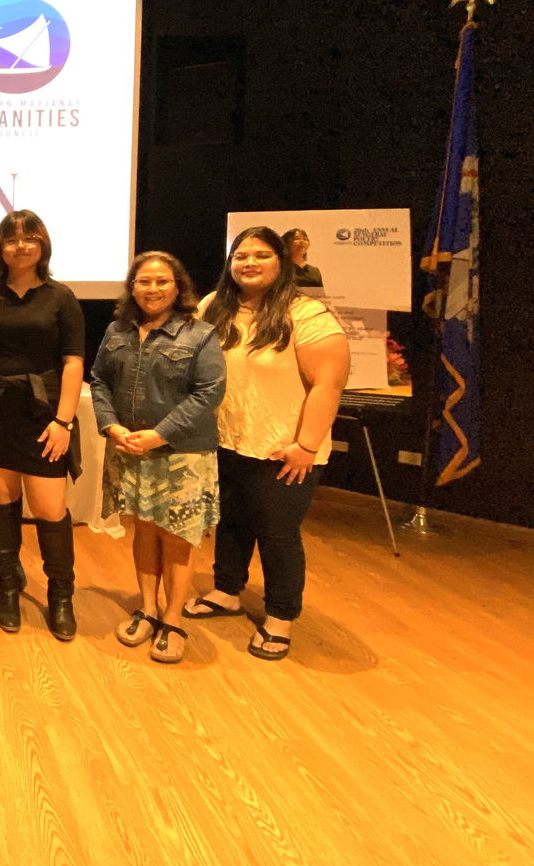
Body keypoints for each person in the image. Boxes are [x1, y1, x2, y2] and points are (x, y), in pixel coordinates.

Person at [186, 225, 349, 662]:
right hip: (225, 441)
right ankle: (226, 591)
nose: (249, 263)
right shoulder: (213, 307)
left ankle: (280, 617)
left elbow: (328, 384)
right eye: (241, 256)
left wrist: (306, 446)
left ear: (282, 262)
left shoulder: (307, 314)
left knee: (277, 535)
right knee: (231, 522)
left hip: (283, 450)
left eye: (261, 255)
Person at [90, 251, 225, 664]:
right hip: (130, 448)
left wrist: (159, 434)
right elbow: (99, 380)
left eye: (162, 281)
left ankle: (172, 620)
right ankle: (148, 609)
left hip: (183, 454)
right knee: (144, 532)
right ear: (132, 287)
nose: (153, 289)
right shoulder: (117, 331)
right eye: (144, 281)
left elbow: (210, 392)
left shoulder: (200, 334)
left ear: (178, 286)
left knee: (177, 539)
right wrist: (111, 426)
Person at [0, 210, 85, 640]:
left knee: (49, 509)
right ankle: (7, 585)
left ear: (42, 244)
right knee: (0, 499)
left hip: (44, 412)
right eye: (11, 239)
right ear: (0, 247)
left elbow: (73, 362)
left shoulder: (61, 297)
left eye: (29, 238)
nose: (20, 246)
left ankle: (61, 596)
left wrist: (63, 421)